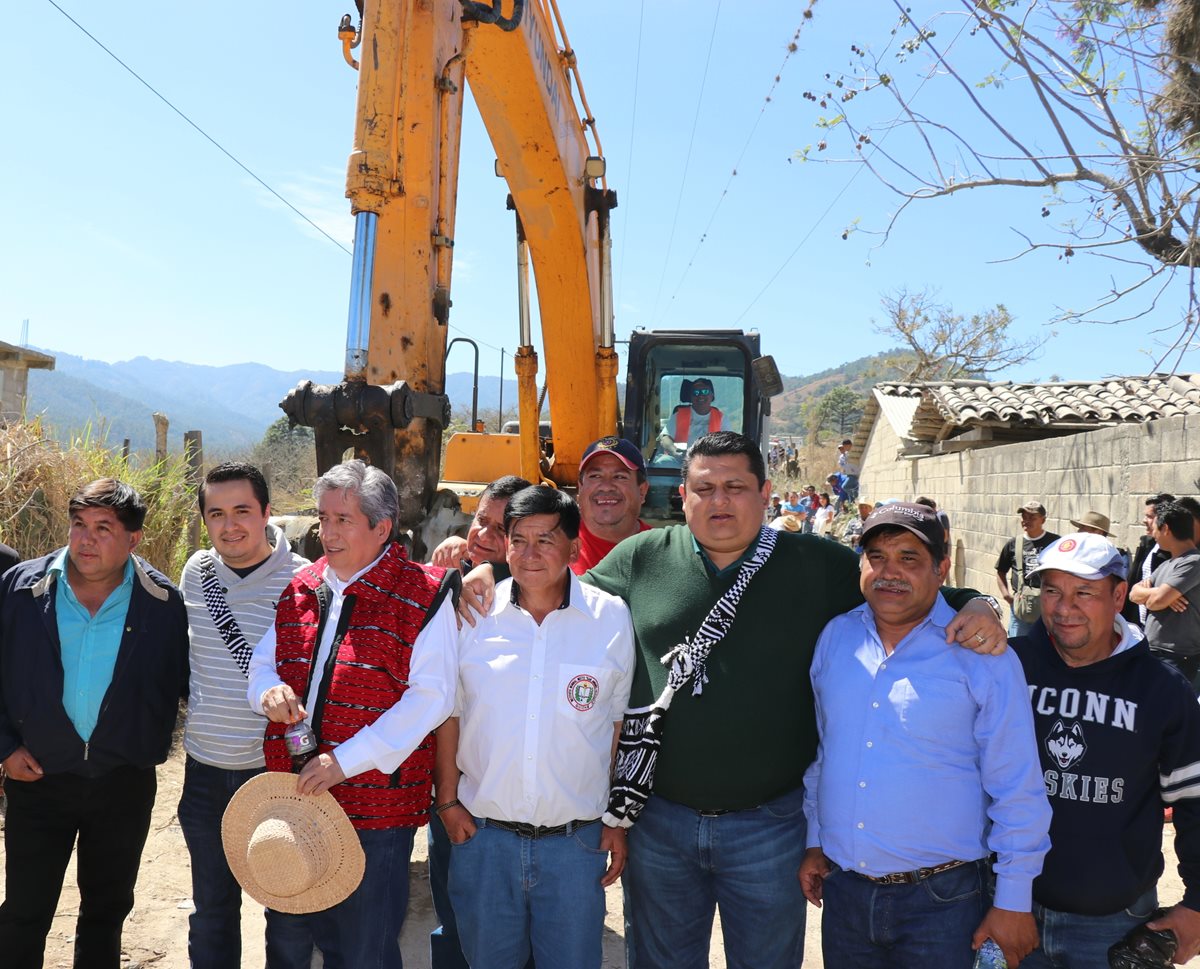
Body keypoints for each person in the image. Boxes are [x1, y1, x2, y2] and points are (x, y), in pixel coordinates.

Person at [455, 433, 1005, 969]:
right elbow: (550, 581)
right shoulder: (643, 557)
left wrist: (977, 601)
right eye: (704, 488)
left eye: (735, 487)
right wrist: (489, 570)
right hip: (660, 823)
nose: (719, 501)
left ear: (765, 494)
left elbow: (901, 583)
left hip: (769, 825)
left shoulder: (814, 563)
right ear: (682, 496)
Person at [799, 502, 1051, 968]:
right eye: (876, 557)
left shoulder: (982, 654)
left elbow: (1018, 786)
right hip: (846, 896)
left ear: (942, 568)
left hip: (943, 902)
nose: (889, 573)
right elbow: (825, 754)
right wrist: (816, 839)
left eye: (909, 559)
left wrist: (1013, 900)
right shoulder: (836, 638)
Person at [247, 459, 459, 969]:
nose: (327, 532)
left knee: (364, 950)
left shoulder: (423, 595)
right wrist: (268, 692)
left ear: (381, 527)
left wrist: (346, 760)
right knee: (289, 943)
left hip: (376, 813)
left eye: (343, 519)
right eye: (323, 518)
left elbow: (433, 698)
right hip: (296, 797)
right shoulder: (303, 586)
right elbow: (264, 661)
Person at [438, 487, 634, 968]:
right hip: (485, 840)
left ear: (572, 547)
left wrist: (616, 819)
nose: (529, 554)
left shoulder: (609, 618)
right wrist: (445, 802)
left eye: (545, 540)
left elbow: (618, 725)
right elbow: (451, 713)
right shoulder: (472, 614)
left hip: (575, 844)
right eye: (518, 540)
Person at [0, 478, 189, 969]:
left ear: (133, 540)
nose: (86, 539)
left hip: (121, 785)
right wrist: (4, 747)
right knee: (23, 913)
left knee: (105, 915)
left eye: (103, 528)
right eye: (78, 525)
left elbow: (177, 683)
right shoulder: (20, 589)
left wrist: (142, 746)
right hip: (37, 776)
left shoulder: (162, 604)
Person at [1011, 532, 1200, 967]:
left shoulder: (1162, 689)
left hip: (1114, 923)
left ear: (1118, 596)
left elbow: (1194, 800)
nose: (1063, 608)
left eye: (1083, 593)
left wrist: (1197, 904)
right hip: (1009, 909)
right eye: (1053, 591)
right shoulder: (1009, 667)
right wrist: (975, 602)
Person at [178, 463, 310, 969]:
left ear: (266, 513)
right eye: (216, 514)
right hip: (205, 773)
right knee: (211, 910)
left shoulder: (304, 581)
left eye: (242, 511)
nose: (230, 525)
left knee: (289, 912)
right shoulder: (196, 573)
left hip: (275, 775)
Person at [426, 473, 532, 969]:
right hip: (452, 789)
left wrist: (498, 574)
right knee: (454, 911)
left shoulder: (539, 598)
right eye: (479, 522)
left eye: (502, 529)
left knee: (518, 928)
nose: (485, 535)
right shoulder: (449, 581)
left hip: (514, 799)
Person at [1129, 501, 1200, 682]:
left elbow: (1156, 602)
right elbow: (1133, 594)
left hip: (1176, 656)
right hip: (1153, 650)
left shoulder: (1193, 561)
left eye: (1156, 528)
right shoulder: (1167, 564)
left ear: (1166, 528)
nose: (1153, 534)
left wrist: (1154, 595)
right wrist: (1160, 593)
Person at [573, 436, 651, 574]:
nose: (606, 486)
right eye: (595, 476)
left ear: (642, 491)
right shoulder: (554, 549)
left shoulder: (663, 553)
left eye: (620, 476)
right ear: (580, 488)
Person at [428, 474, 533, 572]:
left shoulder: (521, 588)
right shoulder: (448, 565)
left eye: (501, 529)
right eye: (482, 520)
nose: (483, 536)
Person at [996, 500, 1060, 636]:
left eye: (1032, 517)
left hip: (1048, 606)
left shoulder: (1055, 542)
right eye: (1024, 517)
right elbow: (1000, 571)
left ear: (1043, 520)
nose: (1026, 520)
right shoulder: (1014, 544)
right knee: (1018, 648)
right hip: (1021, 608)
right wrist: (1006, 595)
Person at [1129, 494, 1175, 627]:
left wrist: (1166, 595)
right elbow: (1134, 587)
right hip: (1139, 622)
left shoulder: (1174, 552)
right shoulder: (1147, 544)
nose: (1144, 520)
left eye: (1150, 517)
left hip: (1161, 626)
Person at [661, 378, 729, 452]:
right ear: (690, 397)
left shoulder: (722, 418)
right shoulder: (678, 415)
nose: (700, 395)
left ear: (712, 395)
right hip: (680, 460)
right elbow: (665, 438)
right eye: (696, 392)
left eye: (705, 391)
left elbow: (728, 442)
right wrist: (675, 451)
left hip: (711, 460)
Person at [836, 438, 860, 504]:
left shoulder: (852, 453)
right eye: (840, 449)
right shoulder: (841, 457)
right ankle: (852, 503)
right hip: (849, 474)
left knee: (845, 487)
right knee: (849, 490)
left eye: (843, 447)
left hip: (855, 473)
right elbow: (841, 464)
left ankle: (856, 496)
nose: (842, 449)